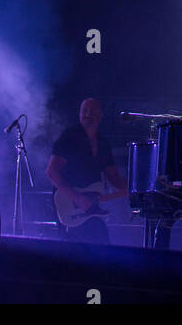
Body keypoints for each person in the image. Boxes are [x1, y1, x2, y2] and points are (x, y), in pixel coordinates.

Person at [46, 98, 128, 242]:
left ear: (100, 116)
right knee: (76, 254)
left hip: (91, 210)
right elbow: (52, 172)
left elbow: (113, 177)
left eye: (92, 111)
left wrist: (135, 186)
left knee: (102, 249)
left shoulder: (103, 143)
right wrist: (76, 197)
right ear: (79, 114)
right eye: (85, 111)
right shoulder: (69, 137)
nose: (88, 114)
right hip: (70, 205)